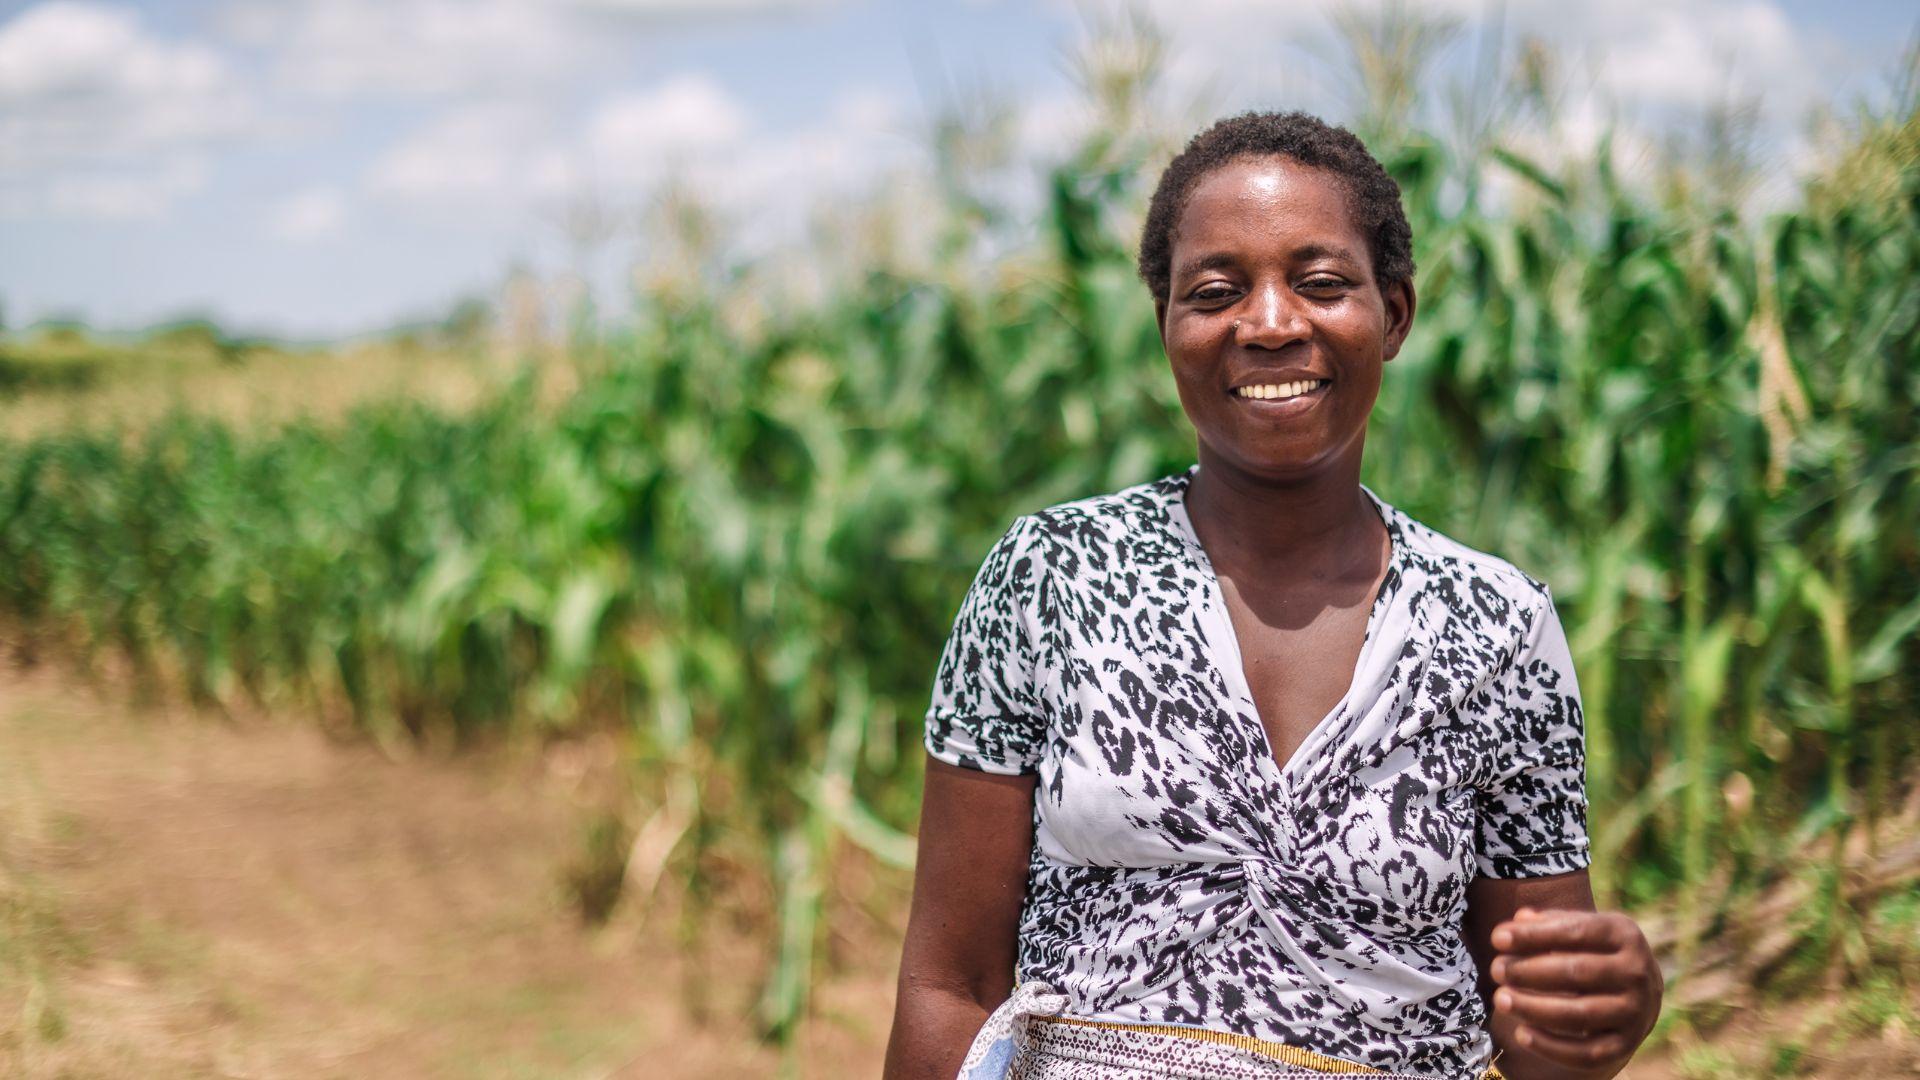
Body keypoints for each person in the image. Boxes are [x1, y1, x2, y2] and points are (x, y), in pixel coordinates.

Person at [883, 111, 1662, 1080]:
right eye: (1215, 292)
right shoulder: (1051, 578)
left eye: (1321, 283)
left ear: (1396, 314)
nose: (1270, 324)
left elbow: (1540, 1027)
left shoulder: (1495, 627)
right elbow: (948, 985)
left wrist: (1606, 1016)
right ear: (1165, 325)